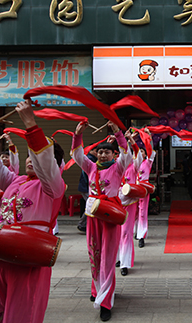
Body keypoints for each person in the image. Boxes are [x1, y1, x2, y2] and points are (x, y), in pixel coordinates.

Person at [0, 100, 66, 323]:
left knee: (22, 314)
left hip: (28, 256)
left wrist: (31, 124)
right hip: (2, 253)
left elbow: (47, 167)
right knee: (0, 312)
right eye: (28, 155)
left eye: (38, 156)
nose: (32, 159)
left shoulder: (53, 187)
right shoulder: (14, 180)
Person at [71, 120, 131, 322]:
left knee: (107, 257)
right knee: (94, 253)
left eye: (108, 152)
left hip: (111, 215)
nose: (104, 154)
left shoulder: (119, 167)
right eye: (100, 152)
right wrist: (77, 135)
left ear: (113, 155)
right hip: (93, 215)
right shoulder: (90, 168)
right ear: (96, 154)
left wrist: (117, 132)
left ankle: (105, 301)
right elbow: (78, 155)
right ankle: (96, 288)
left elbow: (126, 154)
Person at [118, 129, 143, 276]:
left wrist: (132, 142)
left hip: (129, 203)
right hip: (114, 203)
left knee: (126, 233)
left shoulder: (133, 167)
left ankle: (125, 263)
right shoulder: (115, 166)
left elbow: (138, 158)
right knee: (115, 233)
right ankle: (118, 257)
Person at [135, 130, 156, 248]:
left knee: (142, 213)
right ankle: (134, 230)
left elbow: (150, 150)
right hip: (132, 190)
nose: (139, 153)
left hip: (143, 189)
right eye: (137, 151)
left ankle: (141, 236)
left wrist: (149, 137)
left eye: (141, 151)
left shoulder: (147, 163)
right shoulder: (131, 163)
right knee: (133, 212)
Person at [77, 145, 98, 232]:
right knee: (91, 206)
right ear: (92, 150)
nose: (98, 154)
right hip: (86, 187)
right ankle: (82, 224)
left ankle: (84, 224)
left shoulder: (92, 159)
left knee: (90, 205)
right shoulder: (90, 160)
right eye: (97, 151)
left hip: (85, 186)